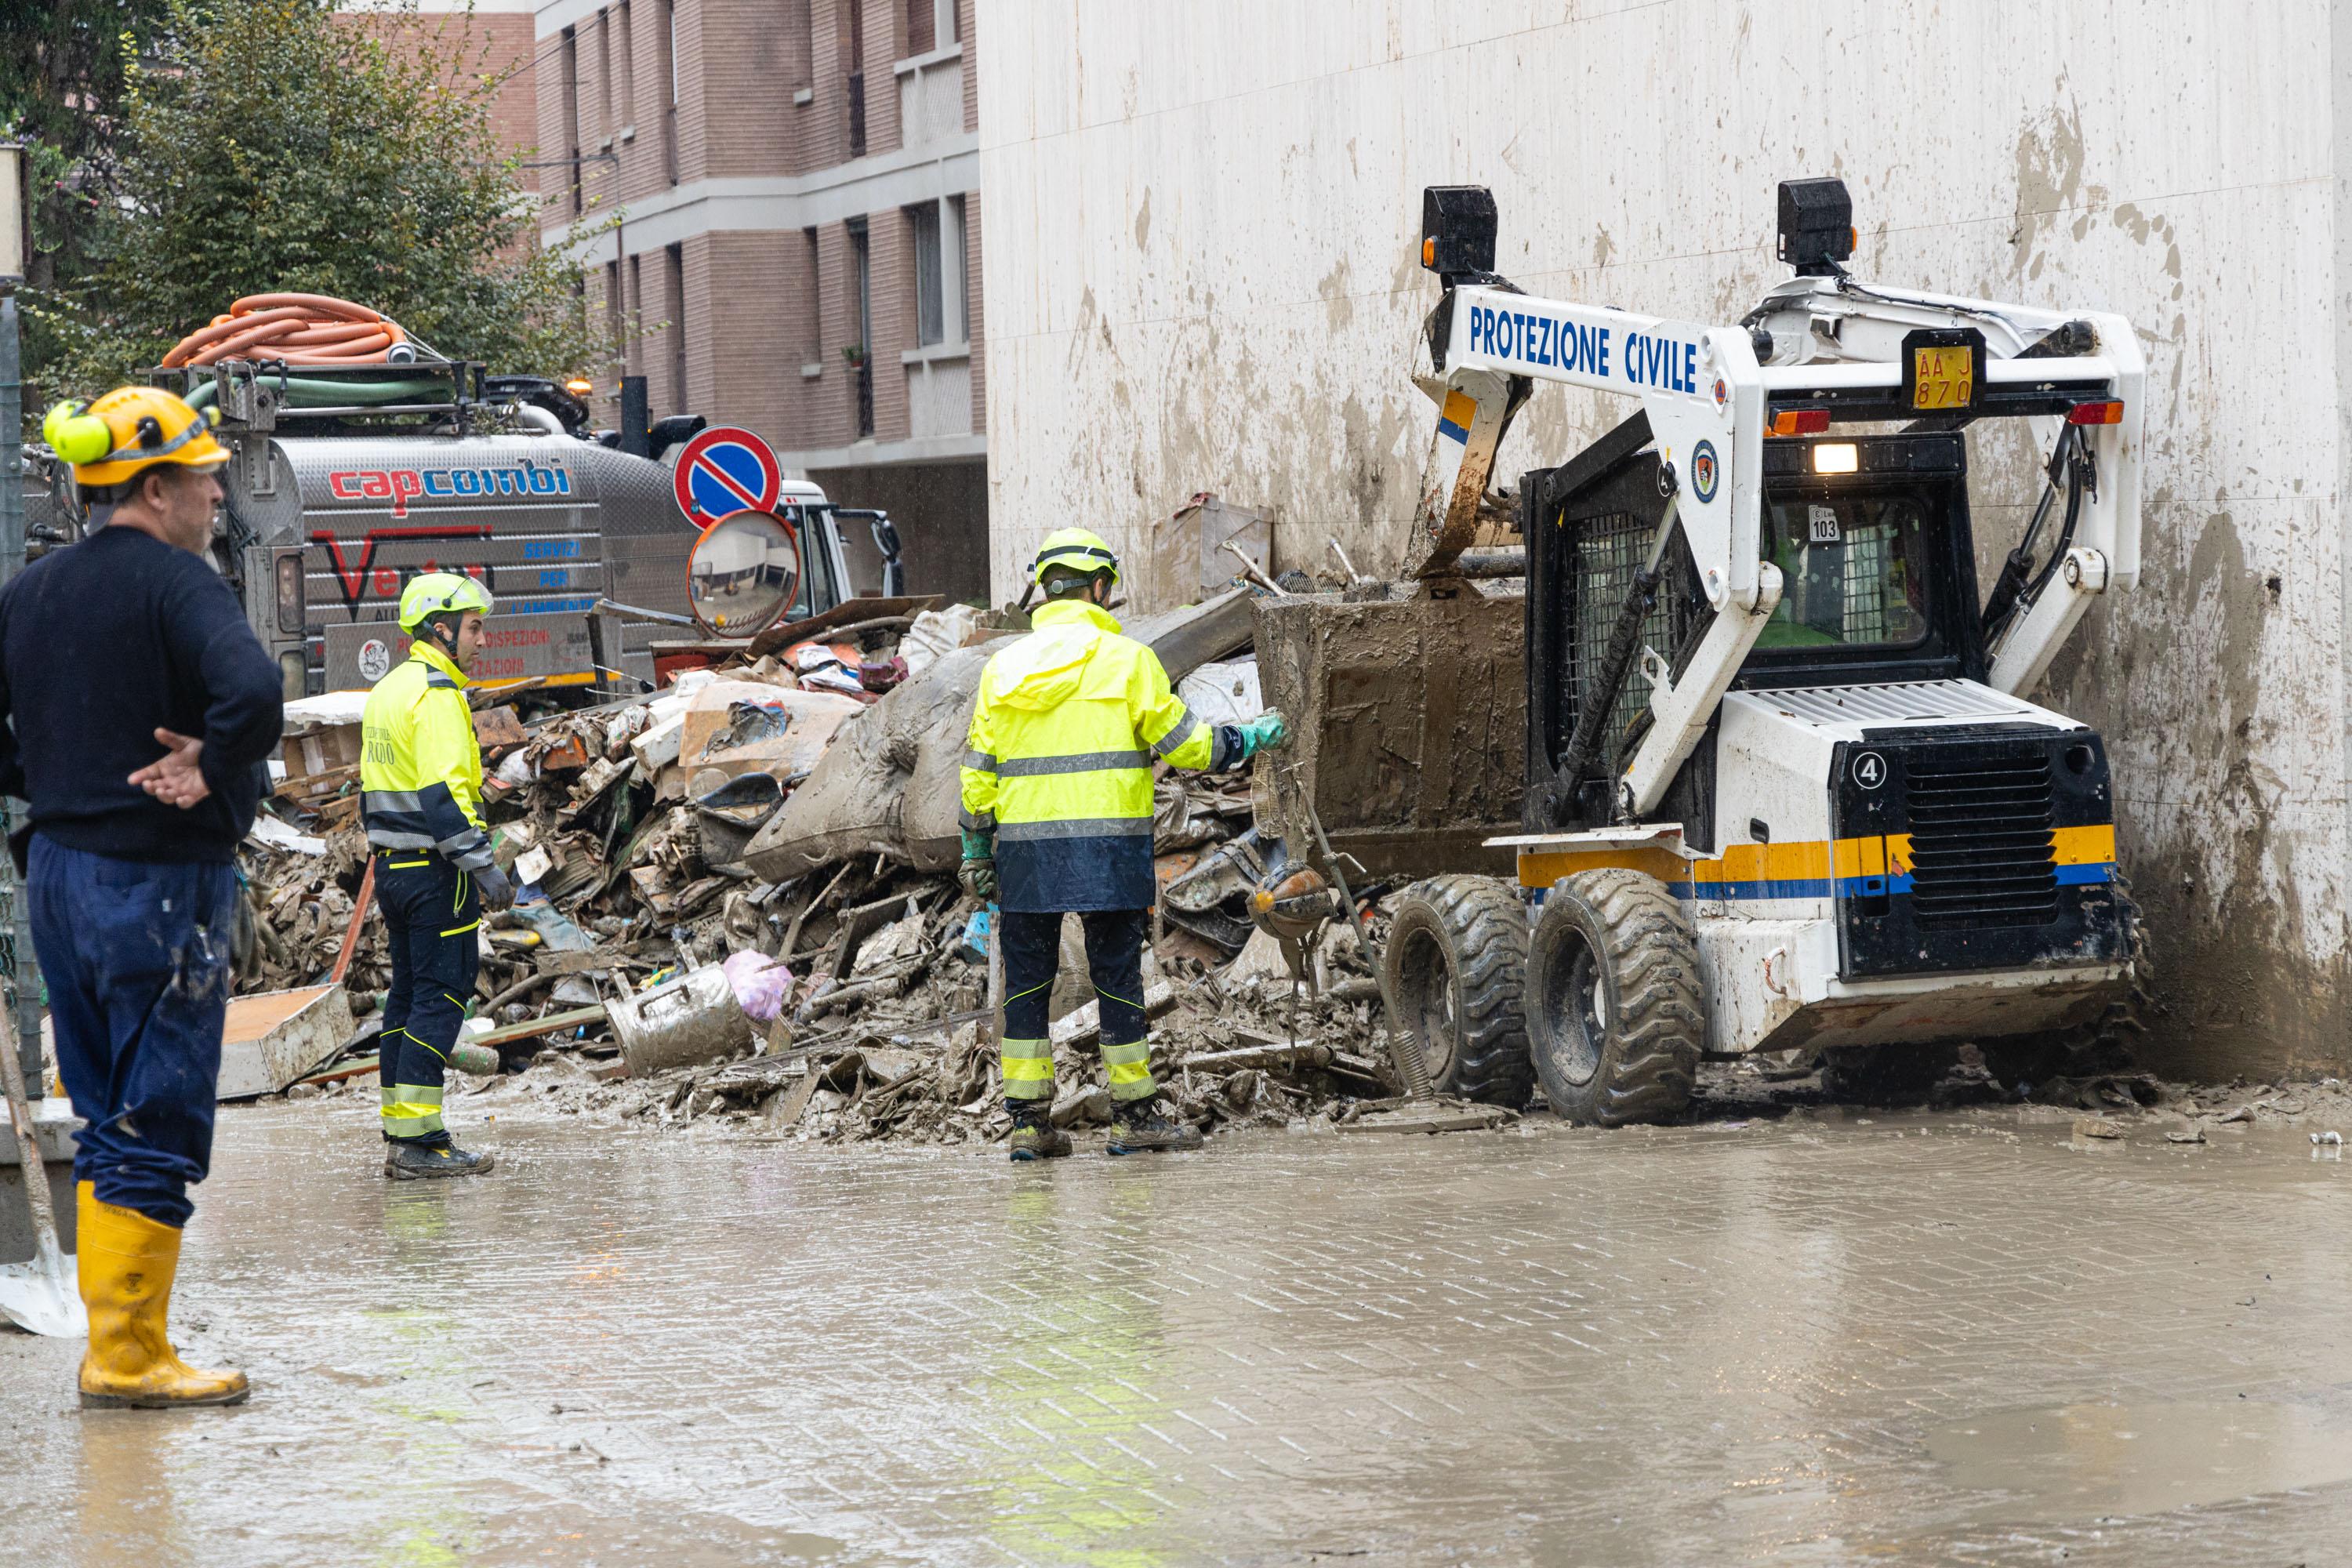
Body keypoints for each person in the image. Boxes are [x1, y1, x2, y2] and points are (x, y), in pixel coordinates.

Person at [1, 387, 284, 1408]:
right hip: (158, 881)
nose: (216, 492)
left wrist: (60, 775)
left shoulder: (32, 592)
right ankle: (129, 1357)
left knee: (104, 1107)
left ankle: (118, 1345)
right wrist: (210, 761)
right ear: (155, 487)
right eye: (204, 475)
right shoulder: (179, 582)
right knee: (155, 1111)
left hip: (60, 881)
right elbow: (255, 692)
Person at [959, 528, 1287, 1160]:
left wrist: (977, 850)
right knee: (1116, 983)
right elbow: (1191, 748)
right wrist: (1253, 738)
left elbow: (978, 772)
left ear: (1046, 590)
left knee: (1026, 988)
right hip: (1107, 853)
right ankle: (1133, 1116)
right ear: (1101, 587)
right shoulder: (1129, 661)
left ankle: (1028, 1126)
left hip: (1027, 855)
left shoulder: (1002, 669)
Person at [361, 572, 513, 1179]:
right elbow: (444, 795)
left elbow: (375, 795)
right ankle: (423, 1144)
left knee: (405, 998)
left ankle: (403, 1132)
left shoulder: (390, 691)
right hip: (436, 870)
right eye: (474, 628)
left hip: (392, 870)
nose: (481, 640)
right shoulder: (438, 694)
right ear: (441, 629)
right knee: (442, 998)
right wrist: (483, 866)